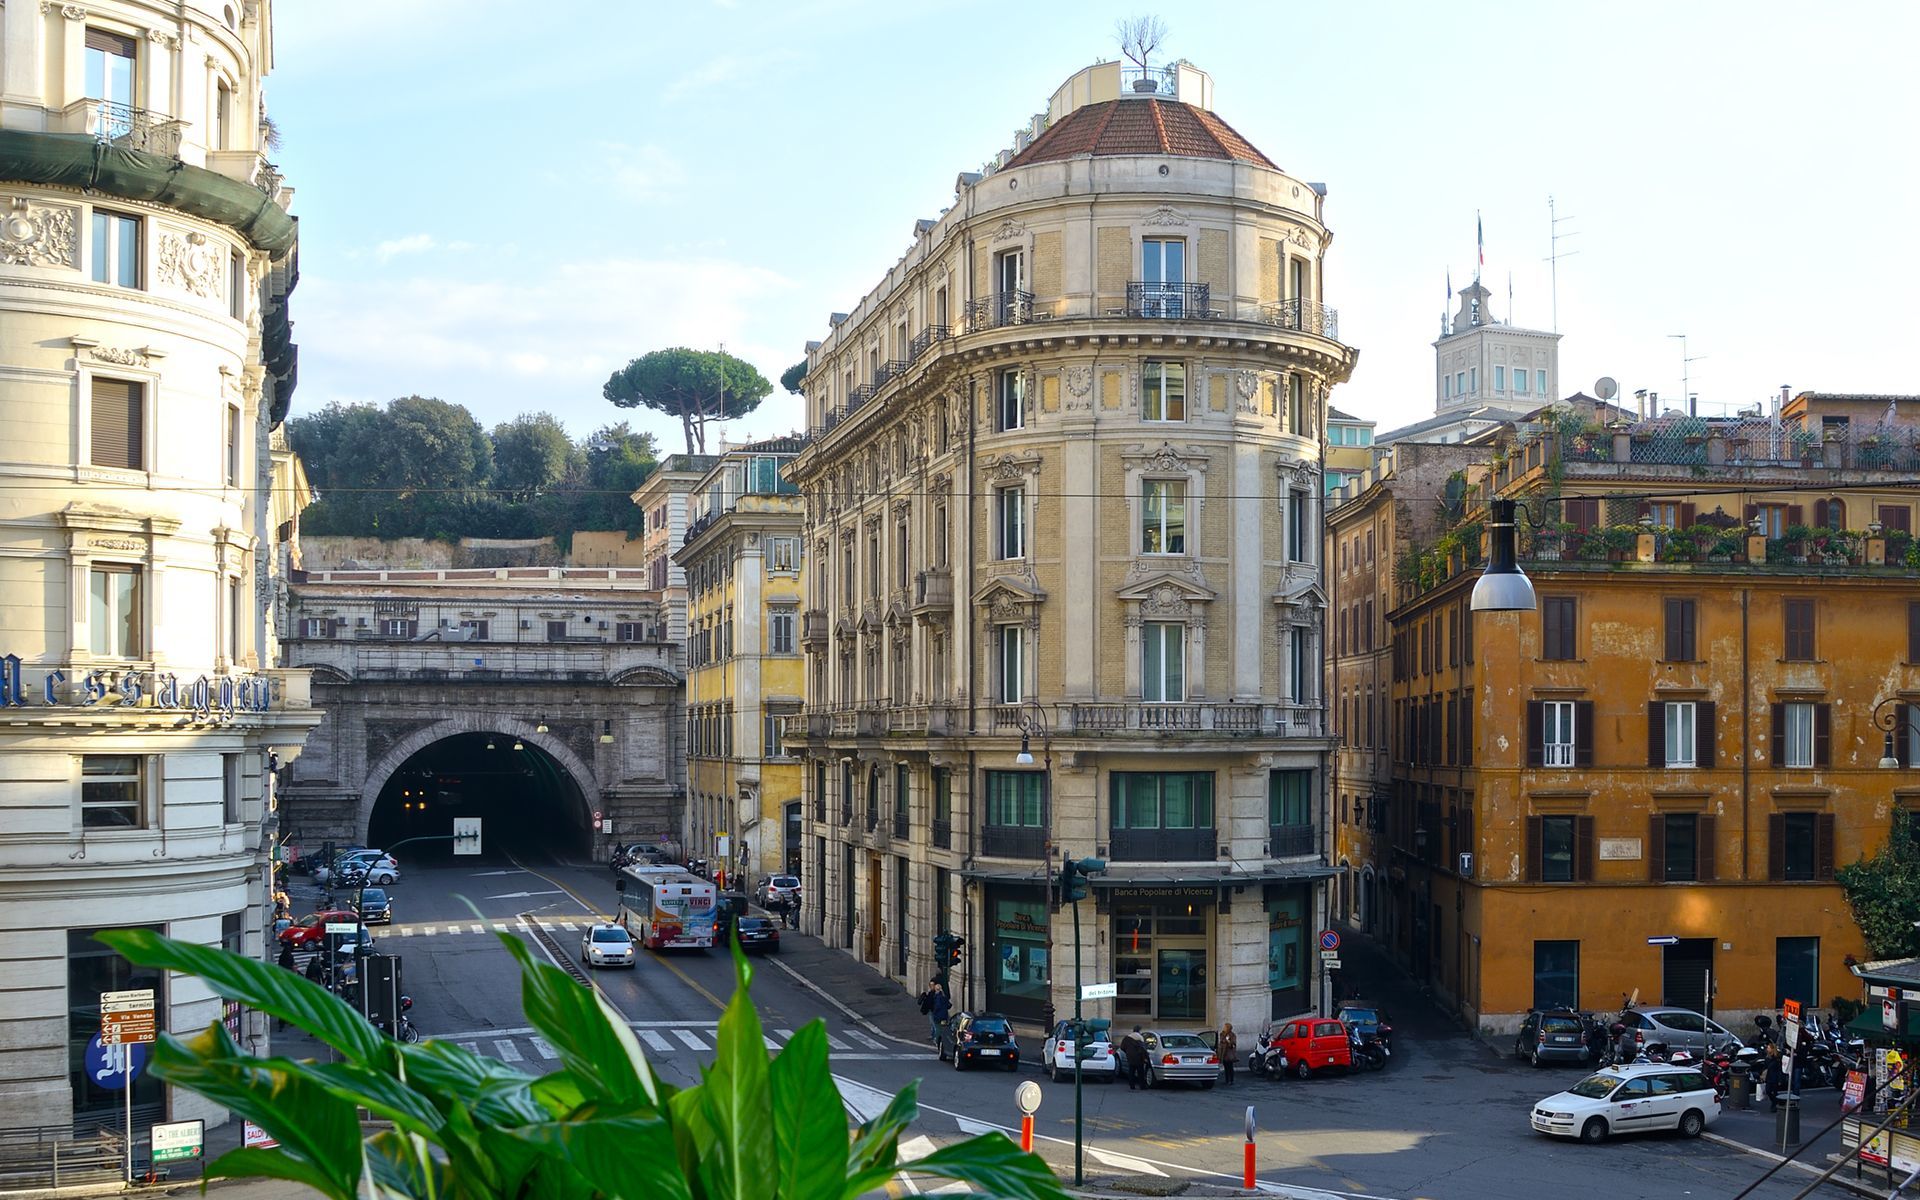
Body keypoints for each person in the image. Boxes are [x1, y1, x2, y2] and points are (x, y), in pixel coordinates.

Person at [1219, 1021, 1239, 1086]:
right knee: (1226, 1067)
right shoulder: (1222, 1034)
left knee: (1230, 1067)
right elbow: (1221, 1042)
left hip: (1229, 1053)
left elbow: (1233, 1044)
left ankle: (1231, 1080)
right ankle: (1227, 1080)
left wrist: (1228, 1041)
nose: (1224, 1028)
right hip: (1223, 1053)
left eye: (1225, 1027)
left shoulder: (1232, 1035)